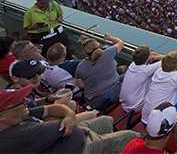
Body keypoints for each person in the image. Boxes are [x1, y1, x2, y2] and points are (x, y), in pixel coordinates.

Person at [0, 84, 139, 153]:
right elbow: (59, 122)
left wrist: (69, 114)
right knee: (131, 136)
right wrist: (67, 116)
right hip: (80, 148)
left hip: (75, 133)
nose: (27, 101)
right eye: (19, 102)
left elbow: (48, 110)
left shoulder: (19, 115)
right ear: (2, 116)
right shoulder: (15, 136)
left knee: (106, 120)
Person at [75, 33, 126, 111]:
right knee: (132, 80)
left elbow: (81, 85)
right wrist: (110, 38)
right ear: (98, 45)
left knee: (128, 75)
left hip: (91, 99)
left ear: (84, 52)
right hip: (103, 99)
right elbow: (120, 42)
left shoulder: (80, 67)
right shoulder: (108, 52)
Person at [119, 45, 163, 113]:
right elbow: (167, 59)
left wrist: (152, 57)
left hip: (124, 103)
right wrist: (156, 56)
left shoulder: (132, 64)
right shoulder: (146, 70)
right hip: (135, 107)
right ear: (148, 57)